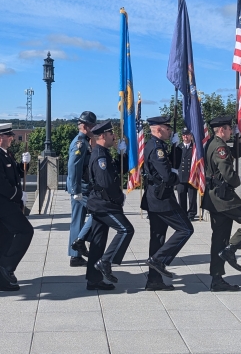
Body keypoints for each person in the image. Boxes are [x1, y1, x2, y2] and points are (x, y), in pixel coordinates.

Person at [202, 115, 241, 292]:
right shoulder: (220, 147)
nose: (231, 131)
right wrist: (237, 180)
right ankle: (232, 248)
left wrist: (240, 138)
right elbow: (228, 174)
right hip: (224, 198)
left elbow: (236, 153)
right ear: (222, 129)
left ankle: (217, 278)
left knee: (219, 239)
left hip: (215, 197)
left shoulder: (212, 143)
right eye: (230, 129)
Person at [140, 116, 194, 291]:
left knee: (157, 238)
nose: (170, 131)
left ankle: (153, 280)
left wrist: (176, 150)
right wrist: (178, 176)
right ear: (157, 129)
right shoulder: (157, 149)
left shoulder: (158, 146)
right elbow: (168, 176)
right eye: (167, 128)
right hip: (162, 199)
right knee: (186, 229)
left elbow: (171, 165)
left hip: (154, 197)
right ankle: (158, 260)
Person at [0, 122, 34, 291]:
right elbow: (0, 184)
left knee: (4, 241)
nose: (12, 138)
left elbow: (16, 174)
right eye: (8, 136)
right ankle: (6, 267)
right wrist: (19, 195)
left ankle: (0, 280)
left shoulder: (4, 154)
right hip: (4, 205)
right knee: (25, 231)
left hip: (9, 204)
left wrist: (24, 164)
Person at [85, 120, 134, 290]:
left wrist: (123, 155)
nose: (114, 136)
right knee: (126, 230)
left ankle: (93, 279)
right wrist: (118, 197)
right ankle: (105, 262)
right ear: (103, 135)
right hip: (104, 204)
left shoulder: (104, 152)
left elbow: (119, 171)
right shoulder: (100, 156)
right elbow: (106, 182)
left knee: (98, 242)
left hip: (100, 203)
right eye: (111, 134)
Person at [67, 111, 96, 267]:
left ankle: (75, 255)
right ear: (85, 126)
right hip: (81, 188)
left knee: (77, 220)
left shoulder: (85, 140)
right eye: (92, 125)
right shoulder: (80, 142)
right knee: (98, 211)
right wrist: (75, 190)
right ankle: (78, 247)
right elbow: (74, 167)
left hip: (84, 187)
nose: (94, 128)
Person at [173, 127, 198, 220]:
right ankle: (183, 213)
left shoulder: (195, 148)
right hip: (181, 176)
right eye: (184, 135)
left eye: (187, 135)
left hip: (191, 176)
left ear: (191, 136)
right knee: (181, 196)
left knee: (192, 197)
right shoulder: (178, 147)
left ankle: (191, 214)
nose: (185, 137)